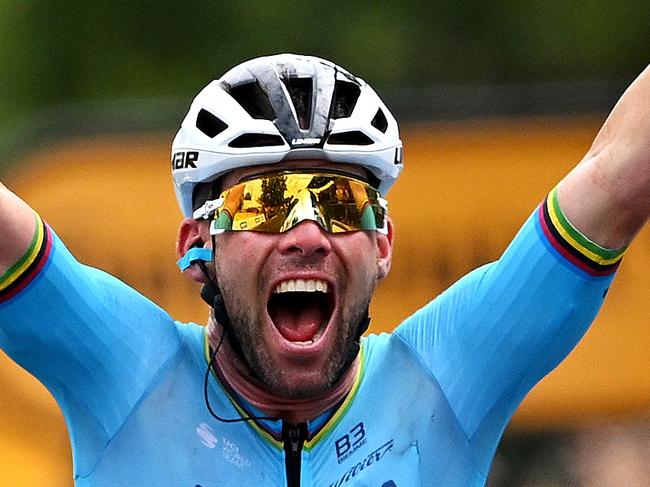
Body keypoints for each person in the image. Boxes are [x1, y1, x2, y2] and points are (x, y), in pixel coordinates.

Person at [0, 53, 648, 487]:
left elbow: (617, 177)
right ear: (197, 245)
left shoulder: (448, 377)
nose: (307, 233)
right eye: (264, 201)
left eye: (342, 203)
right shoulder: (127, 371)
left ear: (385, 243)